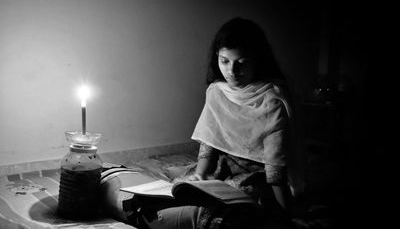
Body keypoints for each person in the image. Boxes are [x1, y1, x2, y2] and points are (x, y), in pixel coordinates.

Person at [101, 17, 304, 229]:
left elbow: (275, 167)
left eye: (241, 63)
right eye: (224, 61)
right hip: (222, 166)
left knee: (241, 201)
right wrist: (201, 172)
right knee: (184, 186)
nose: (232, 71)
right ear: (216, 57)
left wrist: (286, 215)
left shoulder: (271, 100)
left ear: (258, 60)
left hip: (256, 174)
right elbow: (210, 139)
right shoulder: (217, 91)